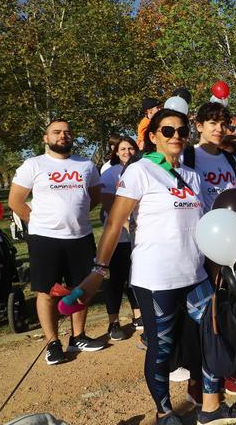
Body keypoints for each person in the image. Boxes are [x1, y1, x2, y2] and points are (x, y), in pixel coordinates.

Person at [92, 109, 234, 424]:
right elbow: (115, 222)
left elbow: (204, 227)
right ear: (153, 136)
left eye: (182, 131)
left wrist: (214, 269)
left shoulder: (193, 175)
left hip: (195, 275)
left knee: (212, 334)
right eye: (167, 131)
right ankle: (164, 411)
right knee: (162, 347)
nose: (177, 137)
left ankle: (210, 407)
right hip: (156, 277)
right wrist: (99, 268)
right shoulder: (140, 171)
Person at [9, 120, 105, 364]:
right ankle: (52, 343)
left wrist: (75, 216)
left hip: (80, 236)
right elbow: (15, 201)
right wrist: (40, 222)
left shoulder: (85, 164)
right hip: (44, 239)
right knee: (46, 292)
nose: (63, 136)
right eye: (57, 132)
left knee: (80, 288)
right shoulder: (34, 164)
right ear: (46, 138)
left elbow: (94, 197)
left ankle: (78, 337)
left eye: (67, 132)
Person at [98, 135, 141, 340]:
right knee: (115, 280)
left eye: (131, 149)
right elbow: (108, 205)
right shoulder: (110, 174)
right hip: (118, 237)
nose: (127, 153)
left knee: (135, 277)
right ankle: (113, 323)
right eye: (123, 149)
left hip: (139, 236)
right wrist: (127, 225)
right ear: (116, 152)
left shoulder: (142, 170)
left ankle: (138, 316)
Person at [185, 102, 236, 212]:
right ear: (199, 126)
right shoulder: (185, 157)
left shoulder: (231, 160)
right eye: (213, 123)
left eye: (223, 124)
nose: (219, 129)